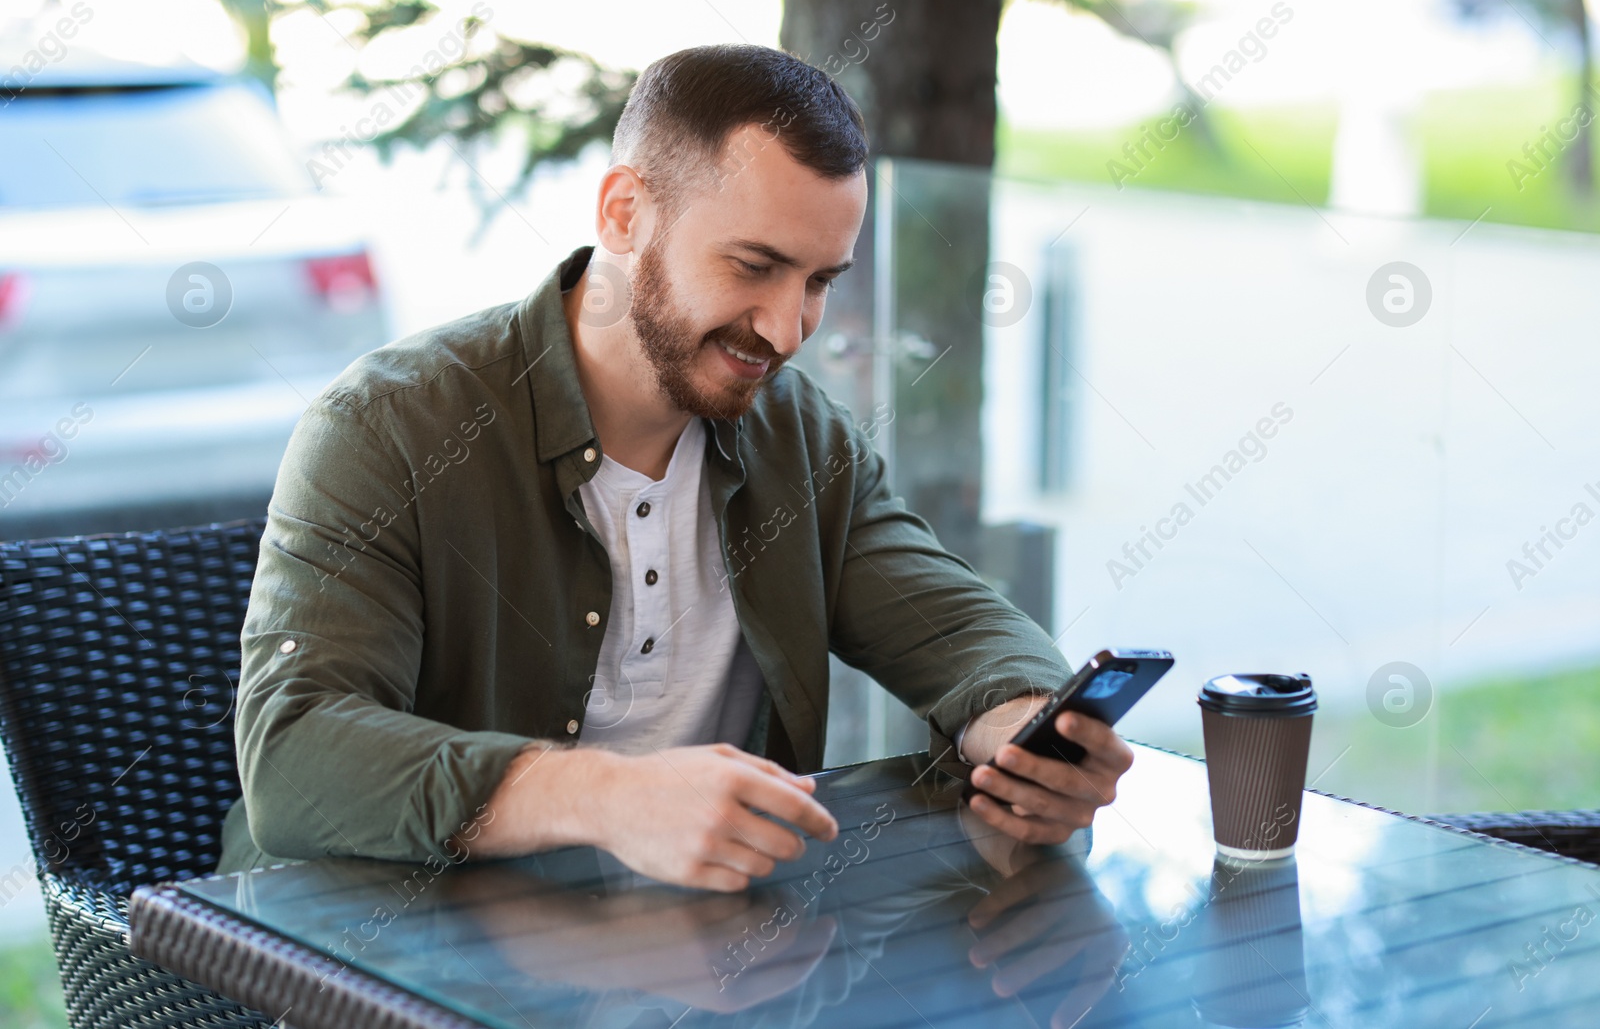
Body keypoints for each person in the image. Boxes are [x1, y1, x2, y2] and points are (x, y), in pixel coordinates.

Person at [217, 43, 1135, 891]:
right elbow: (296, 756)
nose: (786, 330)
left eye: (819, 281)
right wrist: (606, 797)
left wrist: (1025, 731)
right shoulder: (388, 426)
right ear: (624, 212)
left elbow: (954, 622)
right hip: (384, 961)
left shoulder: (800, 437)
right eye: (753, 266)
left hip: (699, 963)